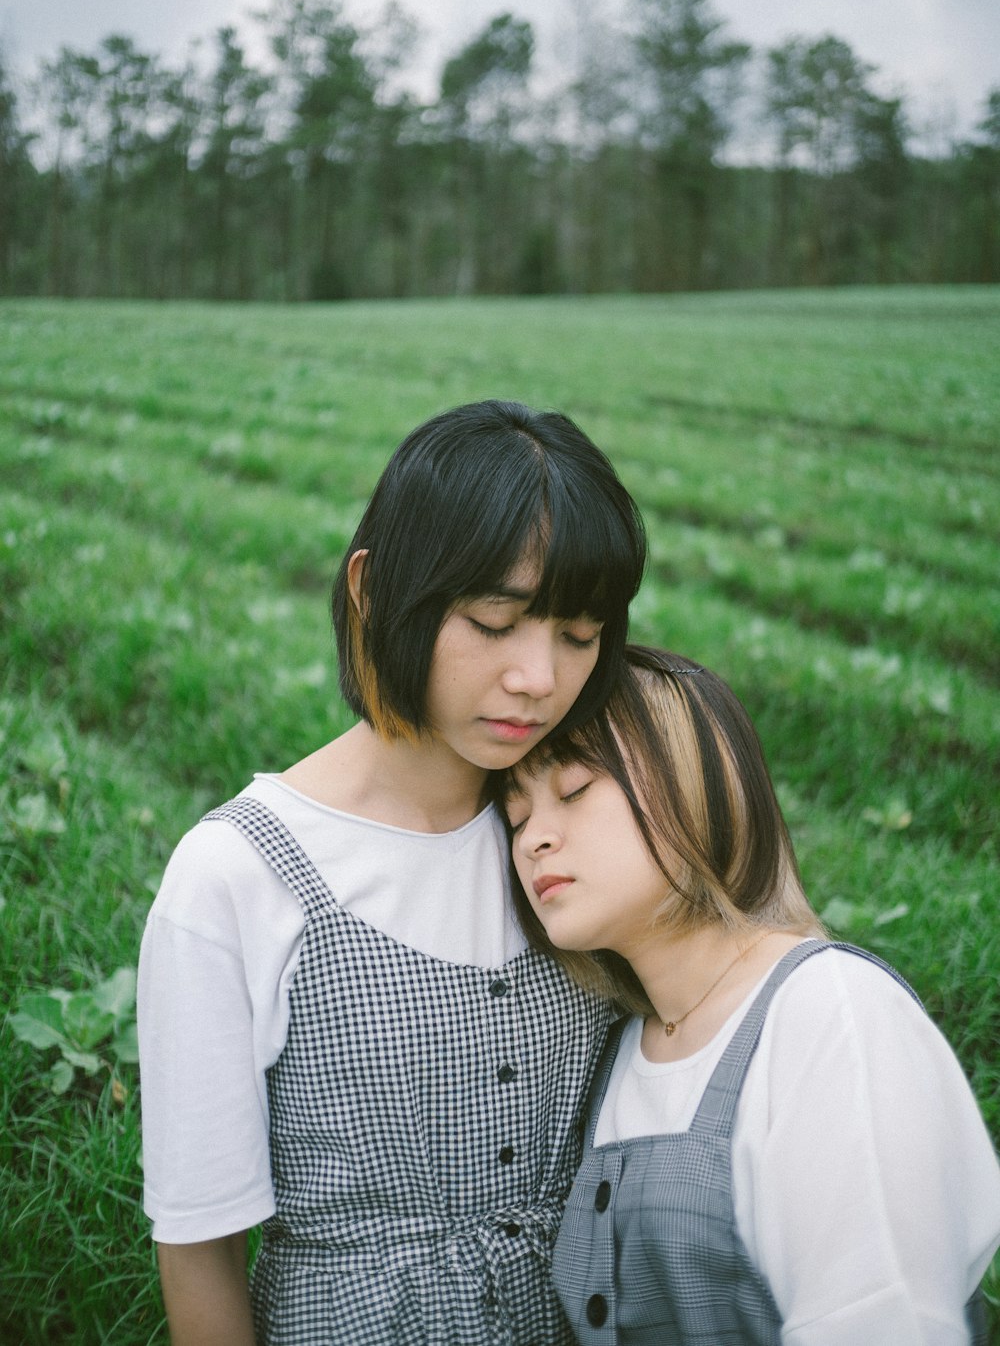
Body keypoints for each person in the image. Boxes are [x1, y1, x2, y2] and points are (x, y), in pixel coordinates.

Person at [137, 399, 646, 1346]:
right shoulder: (237, 877)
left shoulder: (583, 828)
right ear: (373, 589)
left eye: (578, 635)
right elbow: (200, 1247)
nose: (539, 676)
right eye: (495, 620)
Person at [503, 645, 1000, 1345]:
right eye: (516, 817)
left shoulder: (834, 1015)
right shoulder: (617, 1048)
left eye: (577, 788)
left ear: (692, 781)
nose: (533, 841)